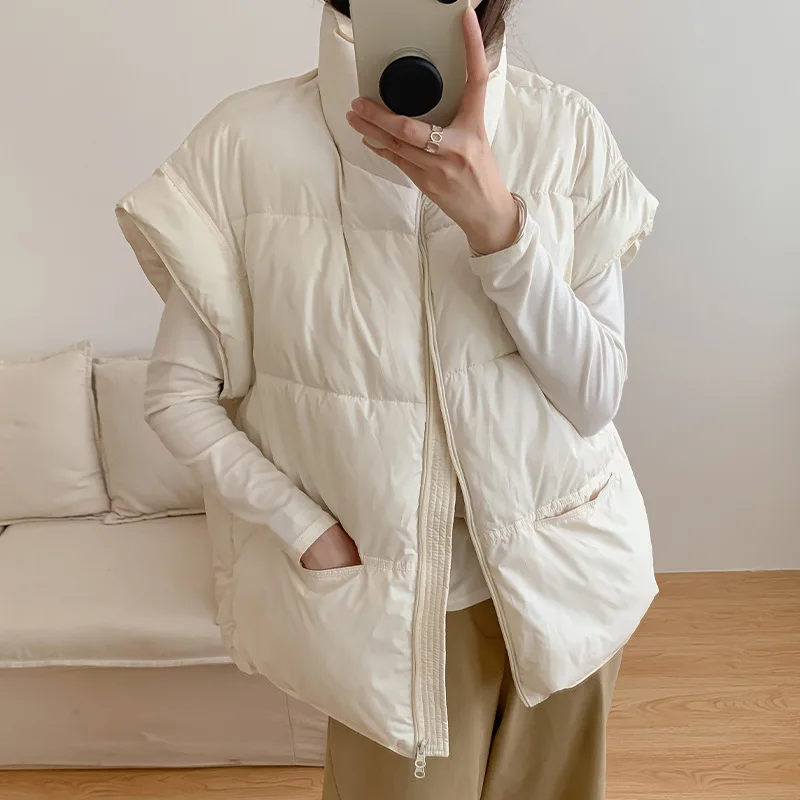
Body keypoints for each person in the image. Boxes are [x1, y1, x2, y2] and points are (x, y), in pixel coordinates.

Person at [116, 1, 659, 797]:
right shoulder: (244, 147)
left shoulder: (564, 132)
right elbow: (177, 397)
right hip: (392, 604)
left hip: (566, 576)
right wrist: (305, 529)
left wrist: (500, 231)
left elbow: (594, 396)